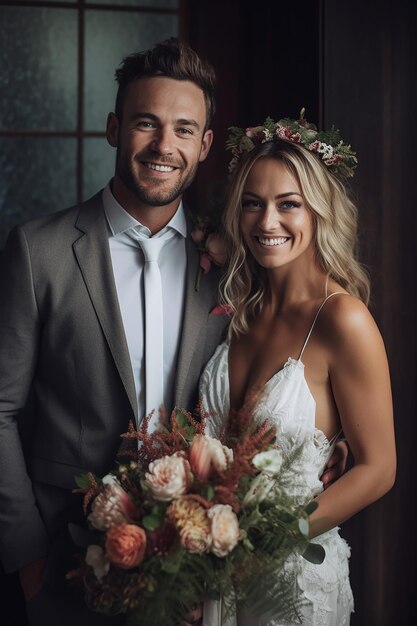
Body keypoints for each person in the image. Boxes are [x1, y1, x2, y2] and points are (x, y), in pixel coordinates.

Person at [0, 40, 346, 626]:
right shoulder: (39, 251)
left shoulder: (237, 260)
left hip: (199, 574)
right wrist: (26, 558)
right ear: (114, 128)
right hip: (63, 564)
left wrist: (319, 448)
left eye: (184, 129)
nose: (164, 146)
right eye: (145, 123)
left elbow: (295, 348)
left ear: (205, 144)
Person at [199, 114, 396, 625]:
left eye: (288, 204)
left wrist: (268, 541)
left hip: (292, 581)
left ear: (319, 210)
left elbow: (378, 469)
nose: (267, 223)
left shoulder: (342, 319)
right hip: (209, 576)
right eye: (252, 204)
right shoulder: (238, 307)